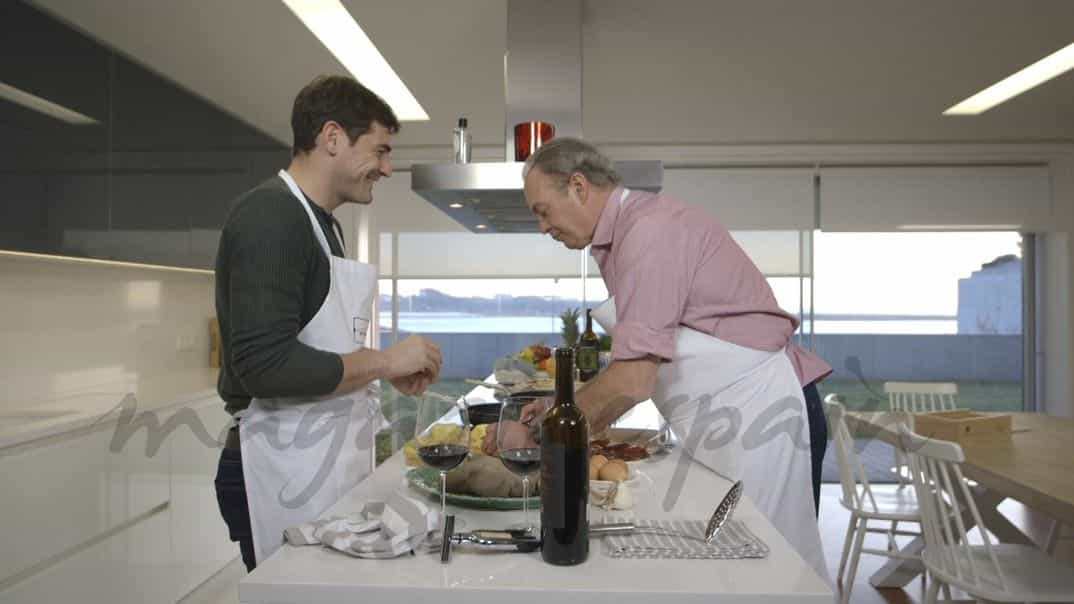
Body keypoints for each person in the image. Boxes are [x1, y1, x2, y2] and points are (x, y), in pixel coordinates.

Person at [491, 137, 831, 578]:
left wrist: (549, 434)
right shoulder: (625, 237)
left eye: (541, 210)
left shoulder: (649, 231)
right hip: (730, 417)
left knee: (771, 572)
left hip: (766, 414)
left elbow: (633, 379)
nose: (542, 227)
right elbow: (639, 358)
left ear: (578, 186)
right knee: (733, 566)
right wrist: (565, 405)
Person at [213, 75, 442, 571]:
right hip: (279, 465)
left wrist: (380, 371)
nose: (387, 167)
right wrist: (383, 360)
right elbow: (263, 365)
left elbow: (320, 345)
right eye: (379, 151)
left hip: (322, 460)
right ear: (332, 137)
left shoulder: (324, 225)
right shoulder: (270, 216)